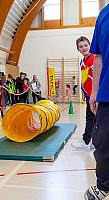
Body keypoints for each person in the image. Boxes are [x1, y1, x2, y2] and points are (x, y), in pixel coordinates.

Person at [84, 5, 109, 199]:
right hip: (107, 92)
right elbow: (98, 57)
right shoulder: (103, 15)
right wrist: (94, 91)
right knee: (102, 143)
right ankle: (104, 187)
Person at [71, 36, 95, 150]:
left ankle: (87, 141)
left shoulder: (94, 58)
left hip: (95, 95)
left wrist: (95, 95)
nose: (84, 48)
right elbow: (85, 79)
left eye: (85, 45)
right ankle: (92, 141)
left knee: (93, 118)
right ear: (78, 49)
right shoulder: (82, 62)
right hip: (88, 94)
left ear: (89, 45)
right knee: (92, 118)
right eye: (81, 46)